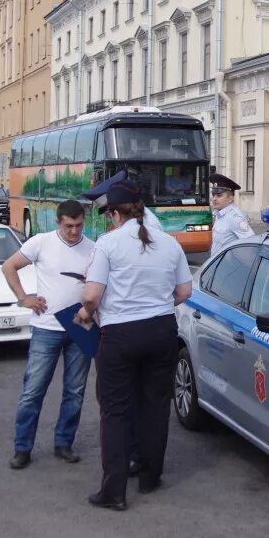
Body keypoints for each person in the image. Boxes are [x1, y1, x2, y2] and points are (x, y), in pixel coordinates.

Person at [79, 181, 192, 511]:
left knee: (115, 412)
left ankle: (114, 491)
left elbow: (90, 295)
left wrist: (87, 312)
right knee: (155, 406)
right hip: (161, 330)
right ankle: (150, 477)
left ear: (114, 213)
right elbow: (184, 291)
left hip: (120, 334)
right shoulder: (170, 244)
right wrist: (155, 303)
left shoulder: (108, 243)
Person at [0, 199, 95, 470]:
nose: (74, 232)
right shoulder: (40, 243)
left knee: (75, 391)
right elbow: (9, 267)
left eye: (78, 226)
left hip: (80, 327)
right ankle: (22, 448)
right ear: (58, 223)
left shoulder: (93, 249)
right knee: (33, 390)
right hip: (46, 328)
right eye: (68, 226)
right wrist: (23, 298)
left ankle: (64, 443)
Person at [209, 173, 253, 253]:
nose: (214, 199)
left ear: (230, 198)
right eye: (213, 195)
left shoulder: (235, 217)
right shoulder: (219, 215)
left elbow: (251, 244)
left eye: (219, 196)